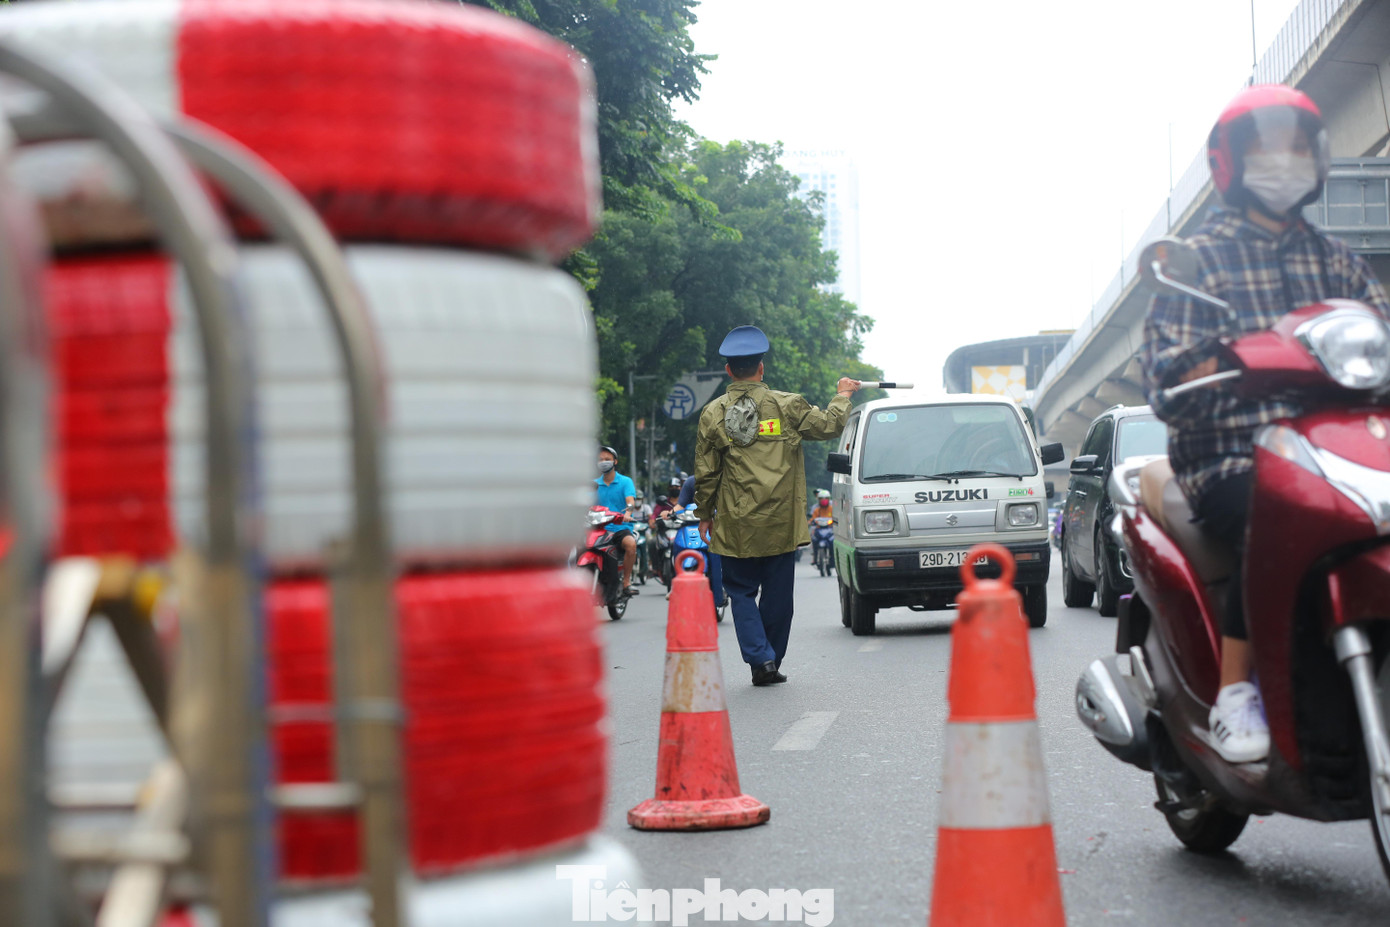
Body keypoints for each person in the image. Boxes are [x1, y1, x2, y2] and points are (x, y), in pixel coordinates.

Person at [1141, 84, 1390, 763]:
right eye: (1265, 148)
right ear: (1232, 164)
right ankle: (1234, 692)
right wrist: (1209, 365)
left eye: (1295, 147)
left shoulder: (1338, 260)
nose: (1283, 160)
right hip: (1232, 454)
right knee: (1271, 518)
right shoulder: (1200, 261)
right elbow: (1163, 374)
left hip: (1340, 453)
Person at [694, 325, 860, 685]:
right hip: (781, 522)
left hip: (736, 523)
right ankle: (770, 660)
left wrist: (704, 514)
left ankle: (761, 659)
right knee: (778, 595)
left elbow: (706, 474)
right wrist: (843, 394)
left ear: (728, 370)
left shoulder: (712, 414)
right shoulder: (787, 405)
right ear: (761, 368)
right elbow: (831, 425)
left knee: (739, 591)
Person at [677, 474, 727, 610]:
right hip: (693, 525)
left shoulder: (723, 479)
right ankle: (673, 585)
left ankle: (721, 588)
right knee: (674, 544)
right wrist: (669, 512)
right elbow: (680, 505)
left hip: (716, 525)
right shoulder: (690, 483)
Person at [595, 445, 639, 596]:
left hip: (620, 528)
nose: (603, 462)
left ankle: (626, 582)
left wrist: (628, 511)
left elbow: (630, 501)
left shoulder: (625, 482)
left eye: (607, 459)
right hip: (598, 530)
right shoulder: (594, 484)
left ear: (615, 461)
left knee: (631, 545)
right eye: (600, 459)